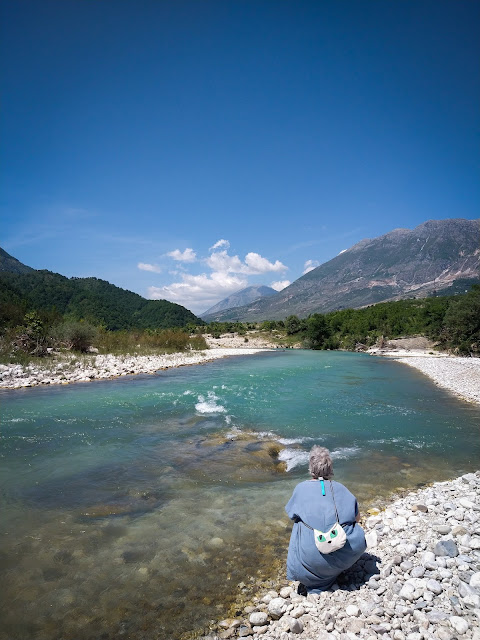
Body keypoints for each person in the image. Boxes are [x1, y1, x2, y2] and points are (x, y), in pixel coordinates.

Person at [285, 445, 366, 593]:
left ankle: (316, 577)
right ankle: (333, 572)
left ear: (311, 468)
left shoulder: (300, 488)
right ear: (330, 468)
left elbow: (291, 514)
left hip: (311, 562)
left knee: (299, 523)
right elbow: (357, 518)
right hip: (345, 554)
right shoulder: (341, 488)